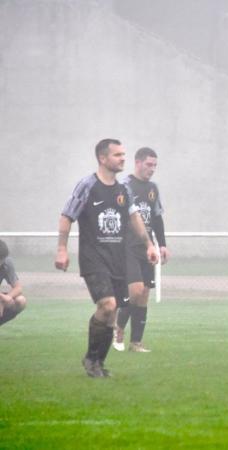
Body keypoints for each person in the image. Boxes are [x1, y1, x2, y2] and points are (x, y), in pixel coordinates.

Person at [55, 138, 158, 378]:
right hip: (94, 258)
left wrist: (149, 245)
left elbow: (134, 218)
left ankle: (98, 363)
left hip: (117, 259)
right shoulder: (87, 185)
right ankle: (91, 359)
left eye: (124, 154)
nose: (123, 158)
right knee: (107, 305)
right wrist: (62, 249)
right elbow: (66, 216)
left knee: (112, 312)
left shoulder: (124, 190)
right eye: (117, 155)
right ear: (103, 158)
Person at [113, 147, 170, 352]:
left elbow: (156, 218)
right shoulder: (125, 186)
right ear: (137, 163)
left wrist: (161, 244)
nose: (152, 169)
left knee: (144, 293)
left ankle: (136, 343)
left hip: (147, 249)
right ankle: (118, 327)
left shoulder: (153, 188)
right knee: (135, 291)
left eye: (155, 165)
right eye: (149, 164)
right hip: (127, 247)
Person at [0, 240, 27, 327]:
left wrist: (7, 298)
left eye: (2, 260)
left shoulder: (7, 262)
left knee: (21, 300)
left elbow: (18, 288)